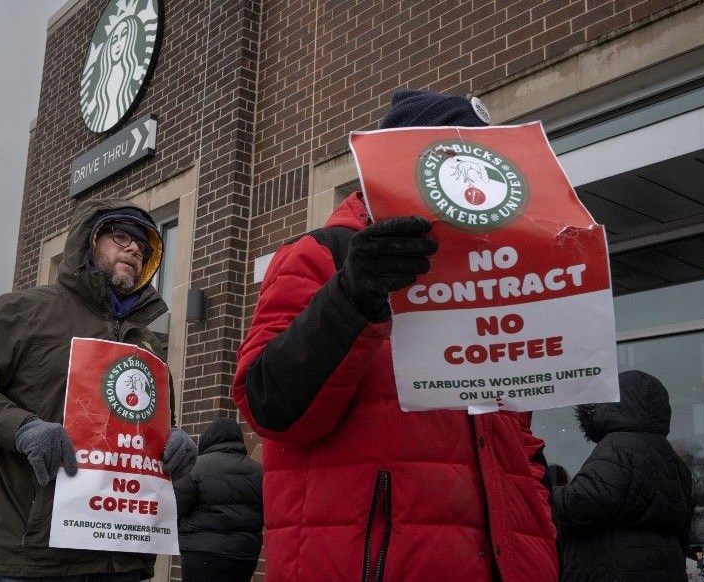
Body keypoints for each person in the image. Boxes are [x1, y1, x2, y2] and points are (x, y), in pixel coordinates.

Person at [232, 89, 558, 582]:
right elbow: (268, 406)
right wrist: (351, 298)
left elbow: (519, 446)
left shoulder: (487, 276)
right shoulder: (321, 255)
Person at [0, 199, 198, 581]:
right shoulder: (24, 310)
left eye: (144, 248)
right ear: (89, 241)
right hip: (34, 557)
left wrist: (174, 441)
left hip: (122, 557)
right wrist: (21, 428)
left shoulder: (146, 342)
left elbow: (150, 426)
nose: (134, 249)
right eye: (121, 236)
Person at [550, 370, 694, 582]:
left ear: (613, 404)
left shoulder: (618, 446)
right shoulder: (671, 458)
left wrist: (543, 494)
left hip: (614, 571)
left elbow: (583, 502)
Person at [174, 417, 263, 582]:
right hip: (244, 554)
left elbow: (175, 506)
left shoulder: (195, 467)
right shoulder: (258, 471)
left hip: (201, 552)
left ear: (208, 438)